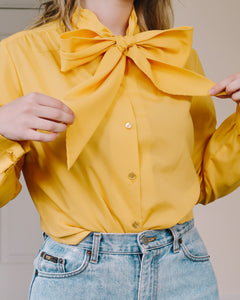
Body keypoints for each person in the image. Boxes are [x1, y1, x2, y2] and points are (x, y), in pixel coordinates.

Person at [0, 0, 239, 299]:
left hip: (183, 269)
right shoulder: (16, 55)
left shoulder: (178, 55)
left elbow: (204, 182)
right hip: (77, 277)